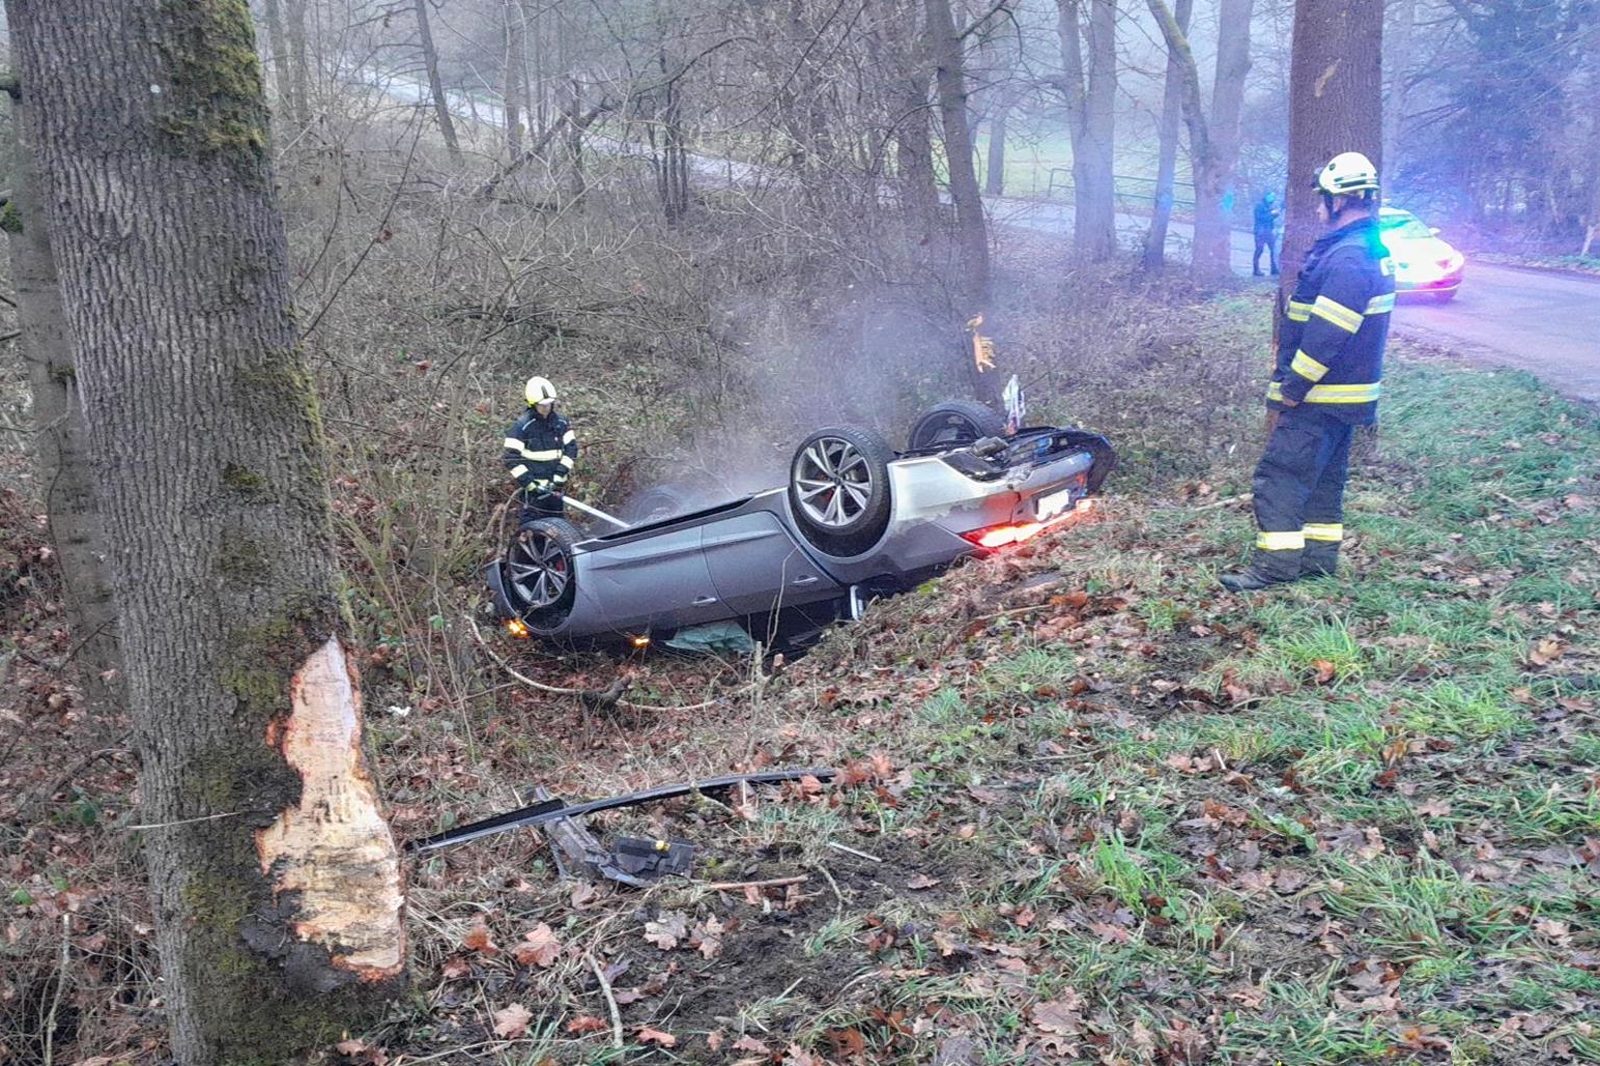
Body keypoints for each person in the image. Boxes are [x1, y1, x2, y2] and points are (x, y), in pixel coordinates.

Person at [1221, 151, 1395, 592]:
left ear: (1341, 201)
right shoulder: (1362, 250)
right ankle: (1317, 565)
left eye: (1324, 199)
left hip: (1320, 396)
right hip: (1342, 398)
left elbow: (1327, 336)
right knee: (1322, 483)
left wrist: (1293, 387)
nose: (1318, 207)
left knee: (1279, 476)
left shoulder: (1349, 258)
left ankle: (1274, 570)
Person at [503, 375, 578, 525]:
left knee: (558, 528)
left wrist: (560, 473)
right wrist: (530, 484)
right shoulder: (522, 426)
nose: (546, 408)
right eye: (542, 405)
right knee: (531, 529)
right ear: (532, 404)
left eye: (549, 404)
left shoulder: (561, 422)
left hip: (556, 487)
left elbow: (571, 449)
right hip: (533, 493)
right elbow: (510, 458)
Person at [1252, 191, 1281, 276]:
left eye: (1273, 196)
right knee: (1259, 250)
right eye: (1270, 196)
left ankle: (1274, 268)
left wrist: (1275, 214)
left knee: (1274, 250)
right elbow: (1260, 218)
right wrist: (1271, 213)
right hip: (1260, 231)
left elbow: (1270, 219)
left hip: (1268, 231)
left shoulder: (1269, 206)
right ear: (1266, 196)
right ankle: (1256, 269)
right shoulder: (1259, 205)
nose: (1272, 198)